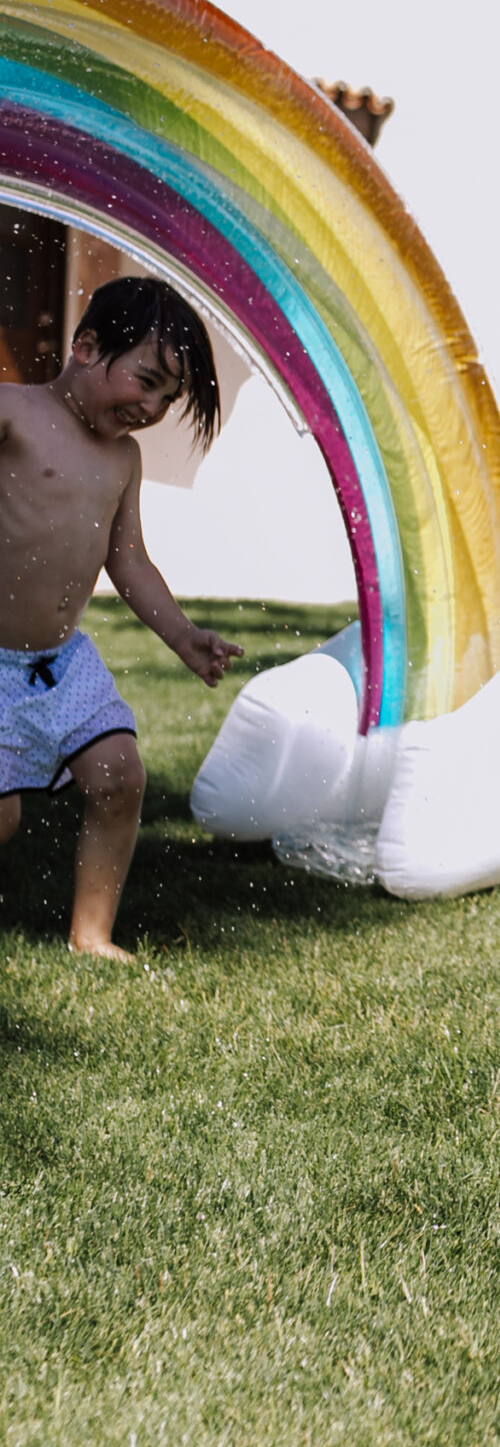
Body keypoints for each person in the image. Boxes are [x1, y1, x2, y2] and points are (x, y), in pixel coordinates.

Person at [0, 274, 243, 960]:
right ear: (85, 346)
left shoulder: (123, 460)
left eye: (168, 397)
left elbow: (129, 562)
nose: (153, 406)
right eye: (146, 380)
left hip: (61, 659)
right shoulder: (14, 413)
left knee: (119, 776)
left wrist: (184, 636)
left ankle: (92, 934)